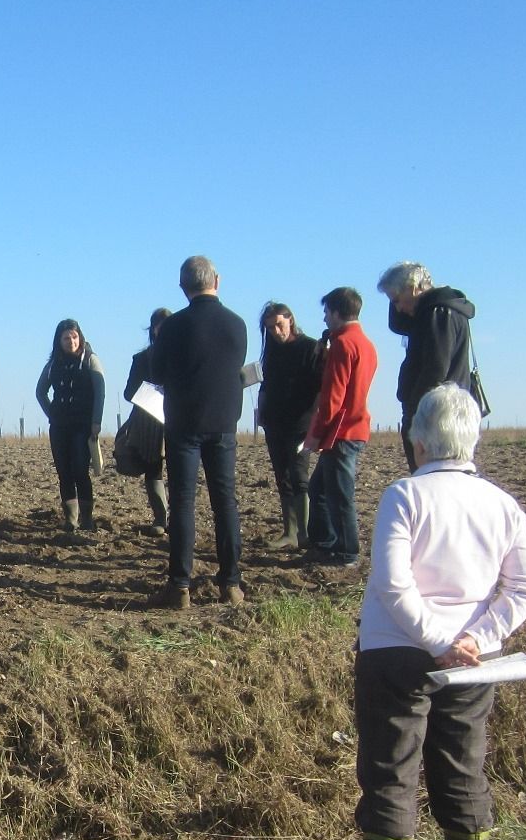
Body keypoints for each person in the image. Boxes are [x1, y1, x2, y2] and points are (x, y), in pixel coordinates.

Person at [316, 383, 526, 840]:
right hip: (473, 665)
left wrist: (439, 640)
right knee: (463, 773)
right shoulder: (501, 504)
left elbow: (394, 587)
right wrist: (476, 637)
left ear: (417, 440)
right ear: (473, 439)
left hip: (396, 656)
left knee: (392, 774)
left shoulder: (405, 496)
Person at [148, 256, 248, 608]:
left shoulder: (174, 326)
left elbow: (157, 373)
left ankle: (179, 586)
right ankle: (231, 583)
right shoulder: (237, 325)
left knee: (183, 503)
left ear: (182, 287)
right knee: (225, 502)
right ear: (216, 280)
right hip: (224, 424)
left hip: (183, 424)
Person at [302, 287, 378, 568]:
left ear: (336, 312)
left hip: (341, 431)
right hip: (353, 428)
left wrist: (316, 434)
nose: (324, 318)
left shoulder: (343, 344)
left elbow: (333, 395)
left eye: (326, 312)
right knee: (319, 489)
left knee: (338, 494)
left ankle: (347, 551)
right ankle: (326, 542)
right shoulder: (367, 344)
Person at [378, 261, 476, 471]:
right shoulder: (432, 312)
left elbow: (435, 369)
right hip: (442, 409)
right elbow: (397, 325)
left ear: (413, 288)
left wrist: (415, 412)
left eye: (396, 300)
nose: (398, 308)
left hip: (435, 413)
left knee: (431, 475)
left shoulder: (438, 312)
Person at [253, 302, 322, 551]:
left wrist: (315, 419)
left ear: (290, 320)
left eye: (279, 325)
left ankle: (304, 533)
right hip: (275, 422)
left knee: (299, 475)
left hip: (300, 423)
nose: (275, 332)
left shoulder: (310, 347)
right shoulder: (271, 351)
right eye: (270, 328)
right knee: (282, 476)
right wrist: (261, 409)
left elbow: (321, 387)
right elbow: (266, 383)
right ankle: (289, 532)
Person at [35, 319, 106, 533]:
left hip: (83, 426)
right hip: (59, 426)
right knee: (64, 472)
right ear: (59, 341)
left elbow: (100, 393)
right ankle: (70, 520)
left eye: (74, 337)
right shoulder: (52, 365)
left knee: (79, 470)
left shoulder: (91, 360)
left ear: (80, 337)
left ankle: (87, 519)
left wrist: (96, 422)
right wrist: (52, 414)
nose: (71, 341)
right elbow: (40, 392)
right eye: (66, 338)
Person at [122, 308, 173, 534]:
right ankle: (160, 519)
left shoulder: (183, 356)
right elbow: (129, 392)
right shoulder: (142, 358)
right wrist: (151, 392)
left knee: (180, 471)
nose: (162, 329)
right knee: (154, 471)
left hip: (177, 419)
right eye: (159, 325)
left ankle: (178, 519)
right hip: (149, 421)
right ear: (152, 329)